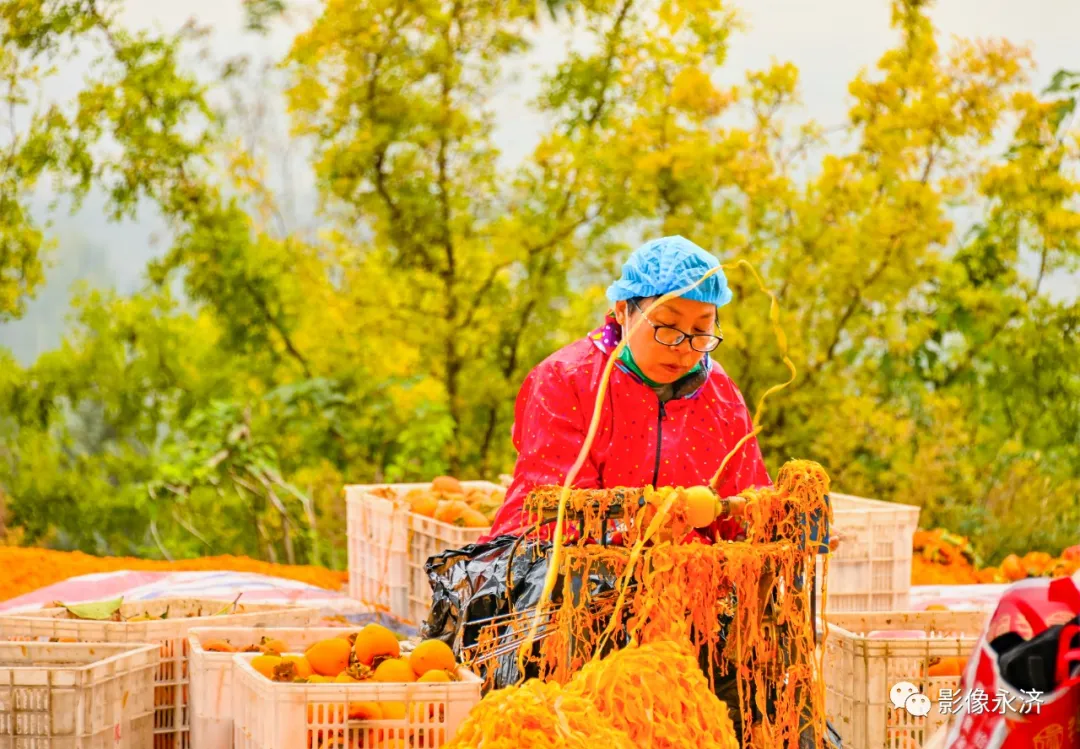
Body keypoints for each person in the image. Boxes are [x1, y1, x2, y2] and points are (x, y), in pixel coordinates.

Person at [483, 234, 772, 543]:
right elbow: (558, 508)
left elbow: (743, 502)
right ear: (622, 310)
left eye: (701, 330)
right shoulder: (565, 380)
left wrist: (782, 525)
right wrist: (647, 529)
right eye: (666, 327)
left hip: (686, 579)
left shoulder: (720, 394)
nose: (683, 347)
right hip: (555, 569)